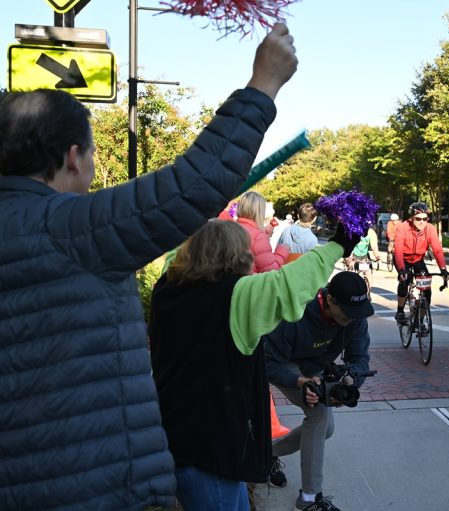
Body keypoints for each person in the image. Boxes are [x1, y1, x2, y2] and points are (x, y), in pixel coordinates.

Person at [0, 23, 297, 510]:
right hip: (92, 490)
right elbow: (195, 183)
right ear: (74, 158)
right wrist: (263, 85)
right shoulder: (72, 230)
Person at [148, 220, 358, 511]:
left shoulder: (166, 288)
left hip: (172, 434)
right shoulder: (233, 297)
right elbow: (287, 285)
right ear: (239, 257)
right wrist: (336, 246)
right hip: (210, 449)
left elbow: (174, 255)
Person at [264, 271, 374, 511]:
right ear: (331, 300)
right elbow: (270, 362)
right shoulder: (297, 310)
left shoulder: (354, 317)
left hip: (318, 369)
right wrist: (300, 381)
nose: (353, 318)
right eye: (347, 312)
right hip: (287, 365)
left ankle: (264, 456)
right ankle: (308, 500)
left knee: (326, 429)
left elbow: (360, 359)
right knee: (319, 415)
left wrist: (351, 379)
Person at [394, 202, 449, 325]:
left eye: (425, 219)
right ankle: (400, 311)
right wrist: (402, 269)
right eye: (418, 219)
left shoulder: (430, 229)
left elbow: (437, 249)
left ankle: (420, 321)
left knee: (427, 291)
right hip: (403, 258)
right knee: (405, 281)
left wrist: (443, 269)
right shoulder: (402, 227)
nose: (422, 222)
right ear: (411, 218)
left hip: (418, 259)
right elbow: (398, 250)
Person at [237, 190, 290, 273]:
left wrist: (264, 234)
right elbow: (270, 271)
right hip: (252, 284)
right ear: (260, 211)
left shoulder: (231, 228)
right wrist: (282, 251)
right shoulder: (259, 237)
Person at [345, 226, 381, 290]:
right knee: (351, 272)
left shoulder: (371, 232)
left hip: (364, 255)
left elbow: (374, 247)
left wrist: (377, 257)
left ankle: (368, 292)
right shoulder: (354, 230)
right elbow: (349, 245)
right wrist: (350, 258)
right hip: (353, 254)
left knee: (368, 274)